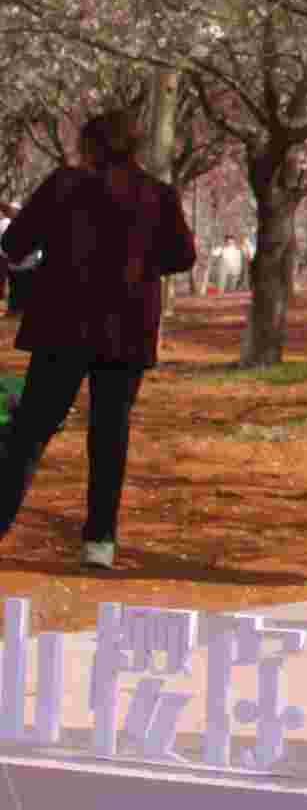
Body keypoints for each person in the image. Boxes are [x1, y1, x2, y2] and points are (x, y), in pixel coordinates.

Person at [0, 109, 198, 569]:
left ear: (90, 145)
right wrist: (141, 264)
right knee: (110, 434)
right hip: (126, 331)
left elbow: (15, 245)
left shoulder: (64, 185)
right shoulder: (157, 195)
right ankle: (100, 542)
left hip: (62, 327)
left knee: (33, 429)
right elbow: (183, 256)